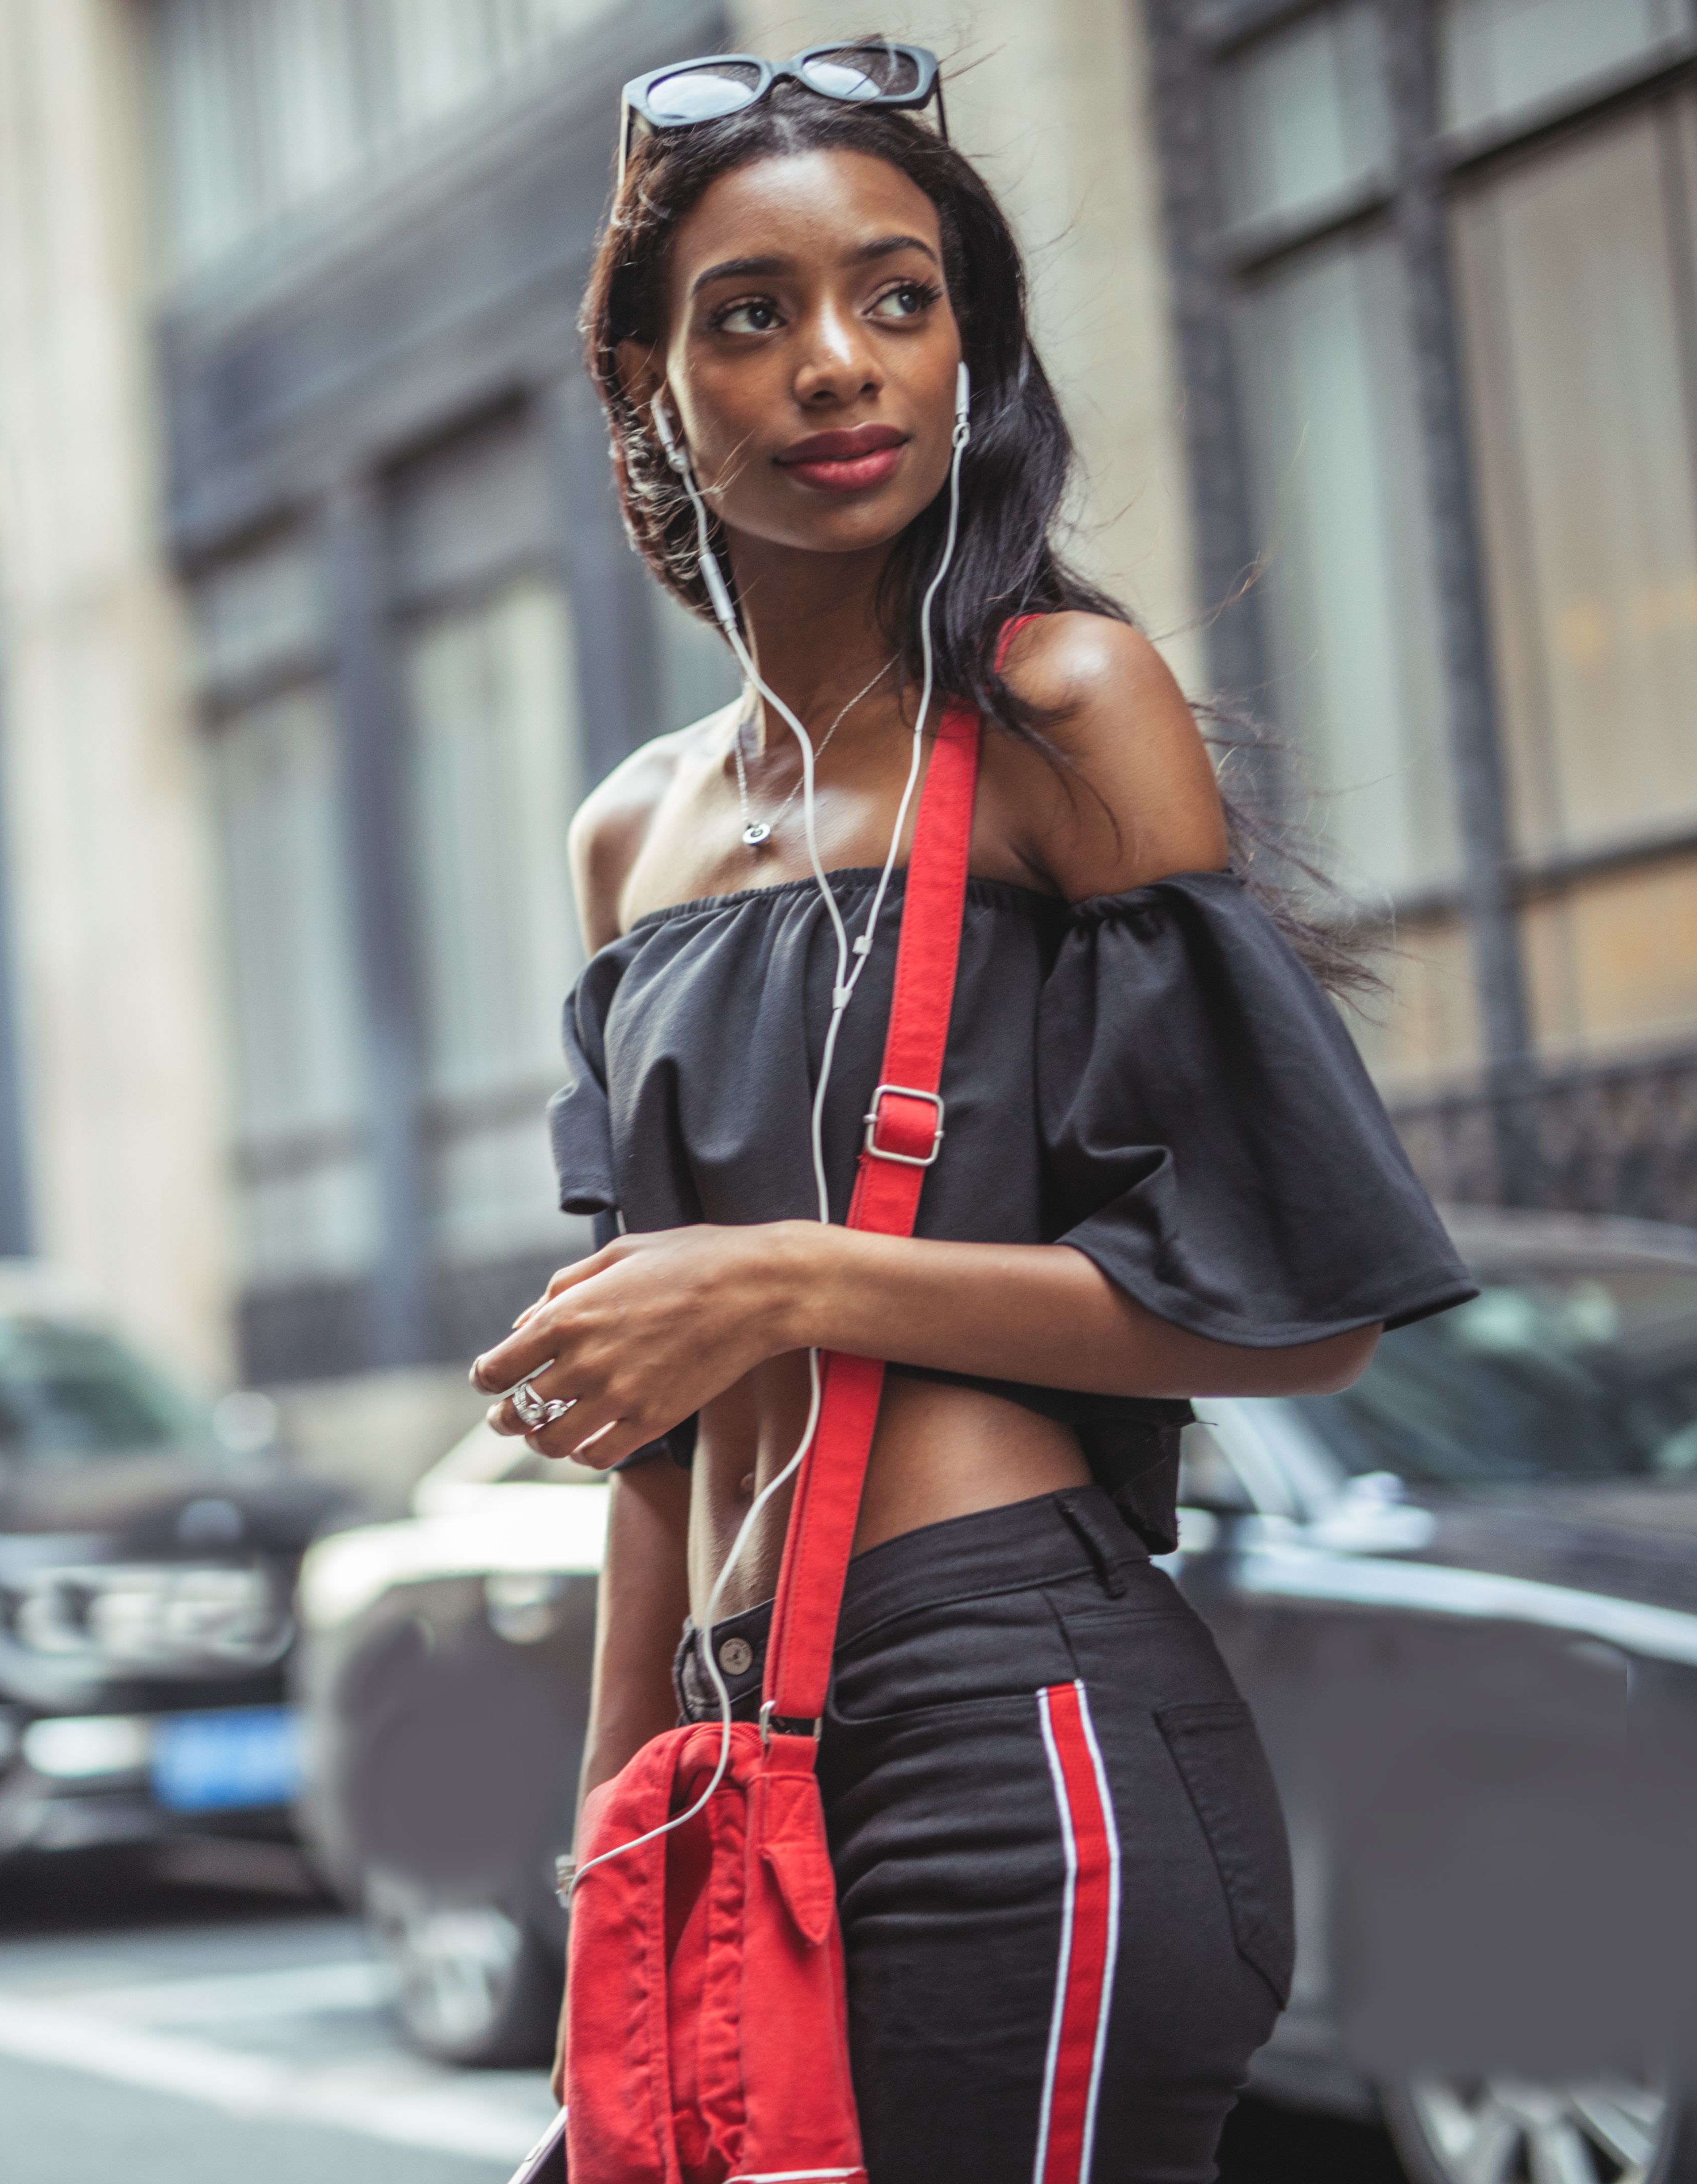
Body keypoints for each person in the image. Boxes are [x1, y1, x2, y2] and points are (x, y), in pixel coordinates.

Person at [468, 45, 1473, 2183]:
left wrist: (781, 1277)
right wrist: (609, 1878)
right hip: (738, 1744)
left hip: (1012, 1718)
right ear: (647, 381)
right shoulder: (627, 832)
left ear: (966, 342)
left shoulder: (1053, 711)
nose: (836, 365)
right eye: (749, 314)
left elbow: (1297, 1318)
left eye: (894, 296)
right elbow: (649, 1459)